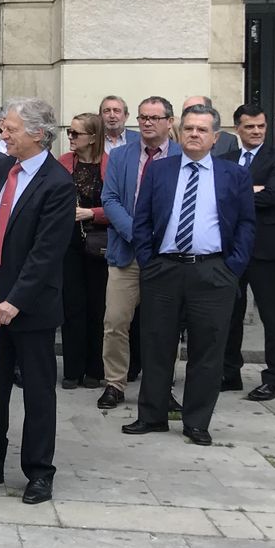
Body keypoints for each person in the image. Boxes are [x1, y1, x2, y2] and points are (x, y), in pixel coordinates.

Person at [0, 98, 74, 505]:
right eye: (2, 127)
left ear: (38, 134)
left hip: (31, 307)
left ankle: (39, 473)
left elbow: (47, 252)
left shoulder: (58, 183)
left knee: (39, 393)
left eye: (10, 129)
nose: (3, 135)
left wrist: (16, 300)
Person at [123, 104, 256, 447]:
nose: (194, 134)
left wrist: (232, 268)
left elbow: (245, 225)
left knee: (207, 350)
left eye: (202, 129)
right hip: (164, 269)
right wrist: (149, 263)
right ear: (179, 134)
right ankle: (151, 415)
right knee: (156, 344)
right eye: (189, 128)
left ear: (215, 137)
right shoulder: (160, 171)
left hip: (212, 271)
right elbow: (143, 220)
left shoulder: (234, 175)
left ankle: (196, 421)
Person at [97, 96, 179, 411]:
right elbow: (111, 198)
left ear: (169, 122)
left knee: (164, 325)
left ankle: (160, 387)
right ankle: (115, 384)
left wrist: (159, 239)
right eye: (143, 117)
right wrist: (138, 234)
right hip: (126, 253)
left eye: (154, 118)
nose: (147, 123)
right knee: (115, 321)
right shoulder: (121, 156)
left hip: (166, 255)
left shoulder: (183, 156)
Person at [224, 105, 275, 401]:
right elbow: (218, 195)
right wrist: (251, 190)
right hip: (233, 248)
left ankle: (274, 378)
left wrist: (241, 194)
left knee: (272, 316)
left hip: (267, 249)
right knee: (229, 314)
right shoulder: (224, 159)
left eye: (261, 126)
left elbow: (274, 195)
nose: (256, 131)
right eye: (250, 126)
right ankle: (229, 373)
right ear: (237, 127)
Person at [59, 112, 110, 390]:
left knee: (97, 308)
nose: (70, 138)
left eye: (75, 134)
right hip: (69, 244)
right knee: (71, 306)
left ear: (92, 137)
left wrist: (92, 213)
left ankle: (94, 369)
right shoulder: (64, 163)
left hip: (100, 245)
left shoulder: (110, 166)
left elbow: (119, 206)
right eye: (69, 132)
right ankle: (72, 369)